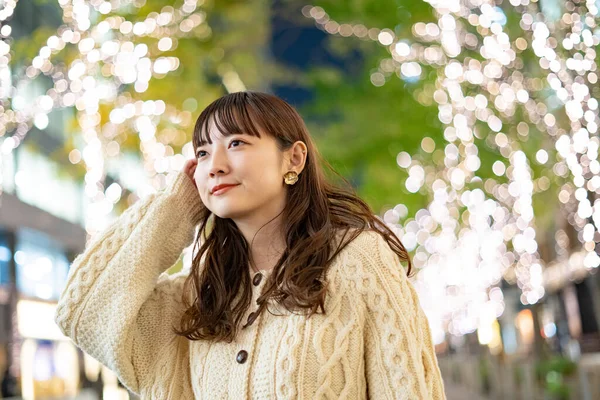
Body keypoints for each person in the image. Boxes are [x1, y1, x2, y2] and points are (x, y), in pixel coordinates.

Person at [55, 91, 446, 399]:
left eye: (237, 143)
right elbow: (82, 309)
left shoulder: (358, 259)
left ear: (293, 158)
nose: (215, 164)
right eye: (203, 153)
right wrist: (177, 207)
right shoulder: (200, 294)